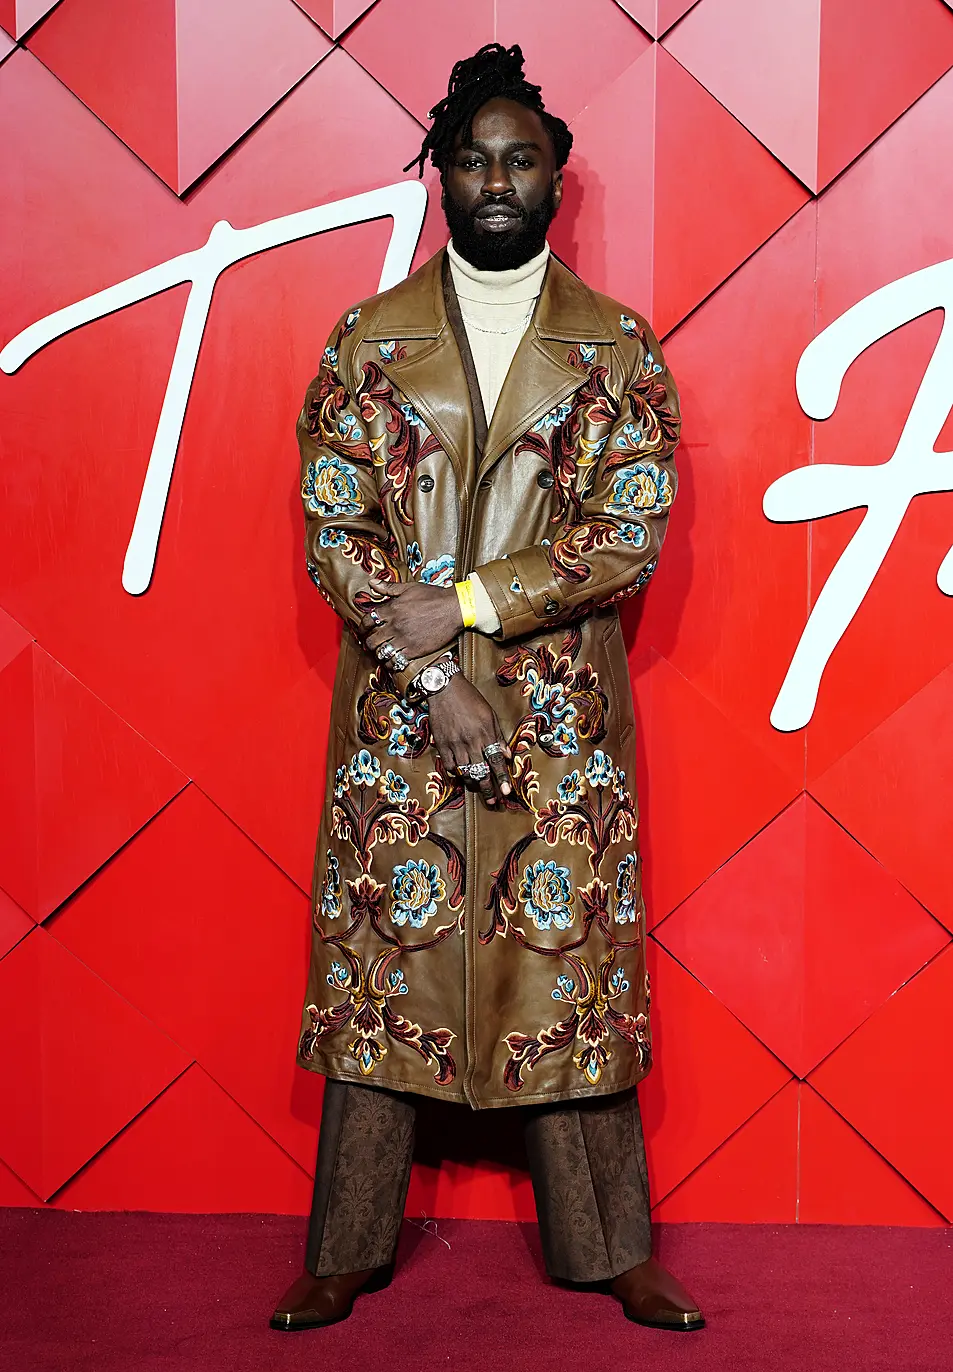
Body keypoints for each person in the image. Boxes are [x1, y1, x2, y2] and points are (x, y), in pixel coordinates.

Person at [272, 43, 702, 1334]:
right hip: (399, 721)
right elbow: (333, 526)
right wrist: (430, 671)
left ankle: (610, 1247)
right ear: (438, 179)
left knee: (564, 962)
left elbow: (629, 533)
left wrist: (466, 607)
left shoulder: (614, 350)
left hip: (559, 719)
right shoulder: (369, 341)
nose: (497, 180)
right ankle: (344, 1248)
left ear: (558, 178)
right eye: (473, 160)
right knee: (383, 957)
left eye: (521, 159)